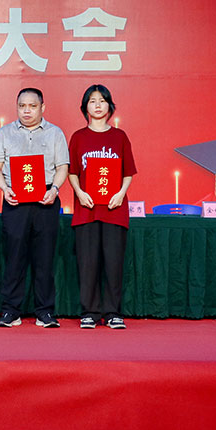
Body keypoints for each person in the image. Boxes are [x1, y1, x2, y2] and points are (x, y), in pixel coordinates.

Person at [0, 88, 69, 328]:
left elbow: (62, 167)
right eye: (22, 106)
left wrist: (55, 189)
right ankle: (10, 311)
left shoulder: (55, 133)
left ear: (42, 107)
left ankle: (45, 312)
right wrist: (5, 188)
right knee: (14, 257)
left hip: (46, 199)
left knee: (44, 258)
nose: (27, 111)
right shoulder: (5, 132)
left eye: (32, 106)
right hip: (15, 199)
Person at [68, 84, 136, 330]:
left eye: (102, 100)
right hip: (86, 210)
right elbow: (72, 172)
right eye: (92, 101)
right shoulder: (78, 137)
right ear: (85, 107)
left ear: (110, 105)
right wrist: (79, 192)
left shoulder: (120, 136)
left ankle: (112, 312)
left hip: (114, 210)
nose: (97, 105)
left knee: (113, 264)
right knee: (88, 264)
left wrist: (121, 193)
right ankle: (89, 312)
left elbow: (128, 172)